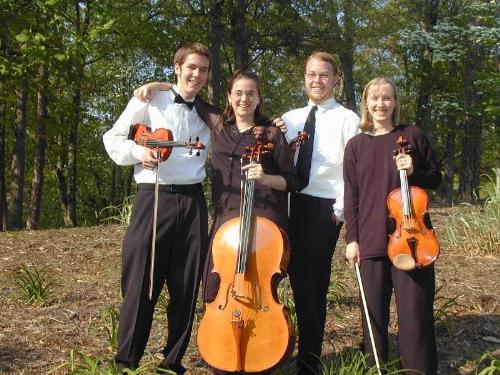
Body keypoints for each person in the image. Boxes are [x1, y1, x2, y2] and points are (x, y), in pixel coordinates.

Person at [136, 70, 298, 374]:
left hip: (265, 219)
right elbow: (186, 93)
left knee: (260, 282)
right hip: (227, 218)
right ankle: (223, 355)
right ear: (228, 97)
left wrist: (266, 177)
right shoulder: (219, 125)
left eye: (250, 93)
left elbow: (294, 180)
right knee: (215, 285)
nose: (244, 99)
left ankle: (261, 354)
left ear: (259, 98)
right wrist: (154, 85)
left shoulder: (273, 135)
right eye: (238, 93)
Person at [102, 43, 212, 374]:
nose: (196, 74)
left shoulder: (209, 113)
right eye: (191, 67)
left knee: (186, 284)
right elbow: (114, 138)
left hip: (193, 200)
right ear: (177, 68)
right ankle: (126, 364)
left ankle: (171, 362)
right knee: (141, 283)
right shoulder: (149, 99)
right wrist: (139, 154)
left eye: (203, 69)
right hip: (154, 196)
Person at [343, 77, 441, 374]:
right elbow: (352, 195)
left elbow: (435, 179)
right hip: (371, 237)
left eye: (387, 98)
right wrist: (352, 239)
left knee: (415, 316)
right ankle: (377, 370)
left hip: (413, 239)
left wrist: (415, 170)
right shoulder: (356, 145)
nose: (380, 104)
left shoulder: (412, 135)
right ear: (366, 103)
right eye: (374, 98)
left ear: (395, 102)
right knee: (373, 319)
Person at [281, 52, 360, 375]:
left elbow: (353, 172)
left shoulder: (348, 119)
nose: (317, 81)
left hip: (323, 207)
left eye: (324, 75)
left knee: (313, 286)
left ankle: (309, 362)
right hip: (289, 204)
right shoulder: (291, 118)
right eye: (311, 74)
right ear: (305, 77)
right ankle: (278, 348)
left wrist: (339, 212)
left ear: (335, 79)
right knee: (291, 281)